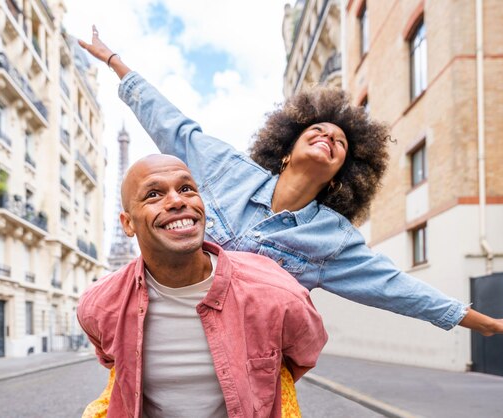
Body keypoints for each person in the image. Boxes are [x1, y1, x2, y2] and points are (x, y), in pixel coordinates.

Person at [78, 26, 503, 416]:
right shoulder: (226, 170)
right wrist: (116, 63)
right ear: (287, 148)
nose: (328, 137)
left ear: (339, 178)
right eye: (319, 130)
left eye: (341, 142)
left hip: (248, 371)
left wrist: (477, 321)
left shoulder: (331, 239)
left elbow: (396, 289)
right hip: (169, 345)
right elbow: (173, 126)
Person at [78, 154, 327, 417]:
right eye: (153, 194)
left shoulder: (275, 290)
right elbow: (112, 361)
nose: (177, 201)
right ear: (128, 224)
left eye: (186, 188)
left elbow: (304, 351)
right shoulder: (99, 305)